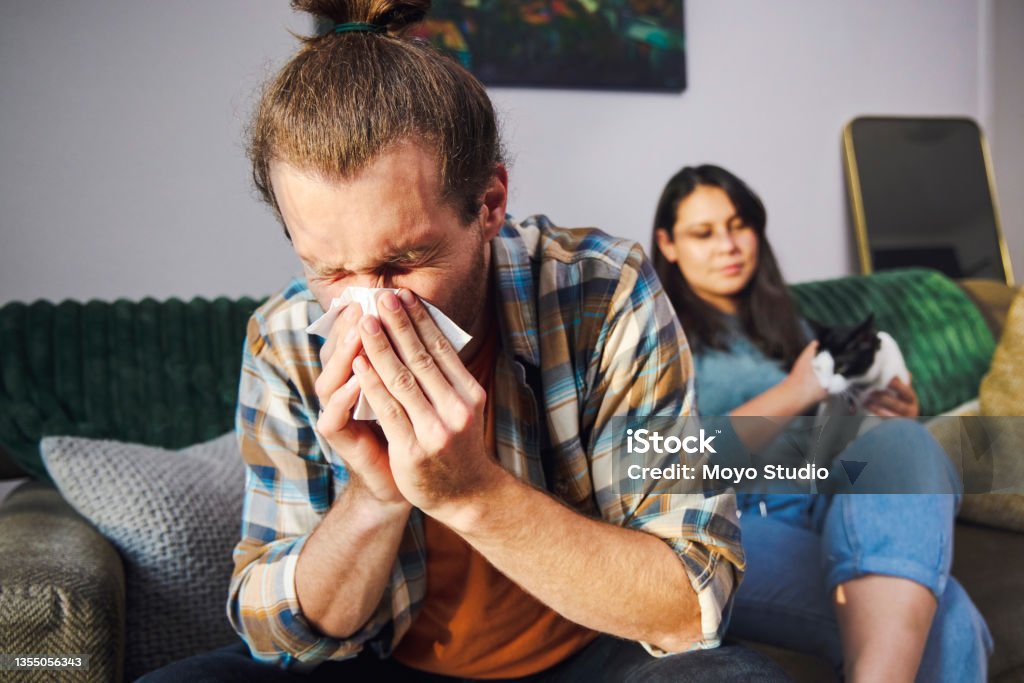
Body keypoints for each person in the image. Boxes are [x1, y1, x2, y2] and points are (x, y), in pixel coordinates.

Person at [140, 3, 793, 681]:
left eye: (403, 262)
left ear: (489, 204)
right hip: (387, 662)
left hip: (590, 655)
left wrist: (471, 491)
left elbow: (691, 600)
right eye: (330, 270)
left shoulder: (603, 292)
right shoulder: (286, 340)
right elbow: (277, 636)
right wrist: (375, 494)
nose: (370, 304)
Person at [650, 164, 994, 683]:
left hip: (828, 498)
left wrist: (884, 415)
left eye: (739, 225)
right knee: (949, 619)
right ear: (668, 244)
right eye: (703, 232)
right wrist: (797, 390)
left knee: (903, 440)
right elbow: (671, 464)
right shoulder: (655, 334)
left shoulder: (796, 326)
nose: (729, 245)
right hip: (732, 523)